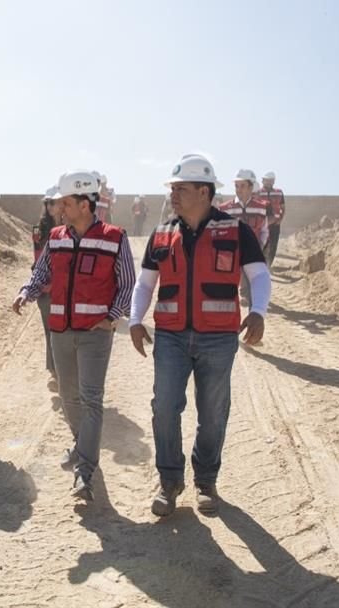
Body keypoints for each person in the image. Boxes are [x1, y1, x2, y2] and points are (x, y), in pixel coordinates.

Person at [130, 154, 270, 516]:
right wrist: (134, 319)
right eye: (173, 188)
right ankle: (169, 481)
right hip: (171, 337)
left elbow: (258, 275)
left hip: (218, 339)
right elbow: (145, 284)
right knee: (164, 407)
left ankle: (205, 481)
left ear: (205, 192)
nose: (174, 195)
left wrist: (258, 311)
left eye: (182, 188)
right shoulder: (163, 233)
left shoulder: (237, 232)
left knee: (212, 412)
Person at [12, 170, 135, 502]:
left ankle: (85, 471)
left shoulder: (115, 237)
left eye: (65, 202)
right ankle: (82, 444)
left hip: (95, 333)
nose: (60, 208)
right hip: (61, 330)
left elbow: (127, 284)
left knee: (91, 399)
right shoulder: (56, 236)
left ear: (84, 203)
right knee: (69, 397)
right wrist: (27, 291)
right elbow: (42, 272)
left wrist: (111, 318)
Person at [219, 169, 270, 304]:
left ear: (251, 187)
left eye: (242, 186)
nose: (238, 189)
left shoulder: (261, 207)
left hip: (253, 251)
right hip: (232, 252)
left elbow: (264, 230)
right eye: (236, 186)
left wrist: (259, 246)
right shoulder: (225, 208)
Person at [32, 185, 63, 392]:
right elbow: (38, 260)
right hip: (46, 289)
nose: (51, 206)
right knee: (51, 331)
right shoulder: (40, 230)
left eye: (55, 202)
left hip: (67, 288)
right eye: (48, 203)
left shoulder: (75, 227)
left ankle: (64, 373)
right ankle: (55, 373)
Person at [258, 171, 285, 269]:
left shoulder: (279, 192)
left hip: (275, 225)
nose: (268, 182)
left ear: (273, 181)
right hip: (262, 224)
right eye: (266, 180)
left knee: (273, 245)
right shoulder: (258, 192)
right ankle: (261, 265)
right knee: (262, 244)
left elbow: (283, 208)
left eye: (270, 181)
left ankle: (268, 266)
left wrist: (280, 219)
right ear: (263, 181)